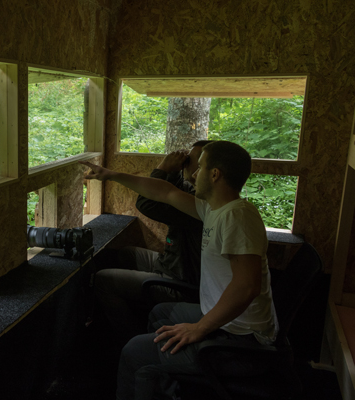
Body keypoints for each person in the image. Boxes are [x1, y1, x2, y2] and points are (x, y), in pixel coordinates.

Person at [81, 141, 278, 400]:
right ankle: (167, 386)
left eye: (201, 167)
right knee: (159, 313)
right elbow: (165, 193)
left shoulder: (237, 217)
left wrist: (199, 328)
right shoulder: (214, 209)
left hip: (241, 343)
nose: (194, 173)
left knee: (134, 353)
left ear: (215, 174)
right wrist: (111, 174)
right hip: (226, 324)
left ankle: (150, 371)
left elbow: (247, 286)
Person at [94, 140, 212, 344]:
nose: (186, 163)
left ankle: (131, 339)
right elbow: (175, 189)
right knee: (127, 254)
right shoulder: (201, 194)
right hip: (173, 264)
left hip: (180, 284)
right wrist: (174, 171)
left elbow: (147, 203)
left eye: (193, 161)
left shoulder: (202, 206)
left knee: (103, 280)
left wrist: (163, 168)